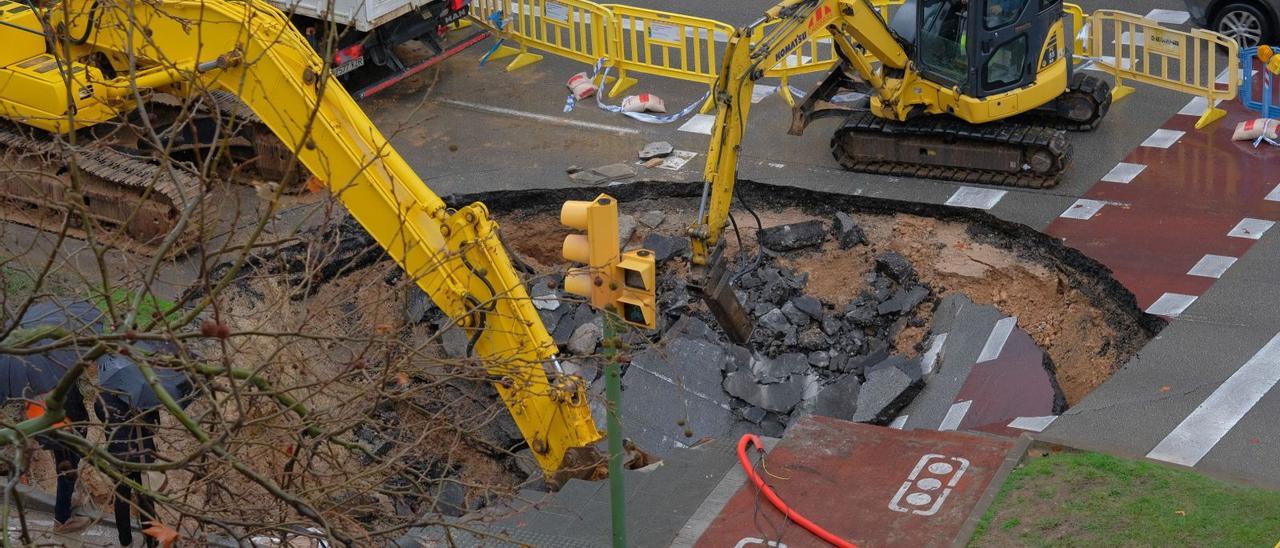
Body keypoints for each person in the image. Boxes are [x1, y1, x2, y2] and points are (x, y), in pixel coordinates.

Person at [95, 395, 160, 548]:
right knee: (145, 500)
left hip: (118, 456)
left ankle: (125, 541)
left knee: (121, 499)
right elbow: (154, 426)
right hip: (141, 456)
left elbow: (102, 417)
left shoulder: (102, 397)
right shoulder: (143, 397)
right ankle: (151, 541)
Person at [25, 387, 93, 533]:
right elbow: (70, 409)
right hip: (65, 434)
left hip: (57, 432)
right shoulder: (55, 382)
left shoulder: (37, 381)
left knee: (66, 471)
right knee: (66, 476)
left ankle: (67, 501)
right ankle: (62, 520)